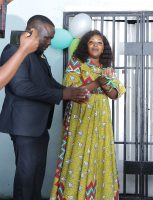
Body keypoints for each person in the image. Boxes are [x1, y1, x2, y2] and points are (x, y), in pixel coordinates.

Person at [0, 15, 88, 200]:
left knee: (36, 175)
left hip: (39, 126)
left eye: (51, 38)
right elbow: (21, 87)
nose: (50, 42)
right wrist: (62, 95)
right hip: (24, 126)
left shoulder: (38, 56)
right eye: (46, 37)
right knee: (26, 177)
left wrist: (70, 91)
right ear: (31, 32)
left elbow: (49, 83)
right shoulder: (13, 51)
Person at [51, 30, 126, 200]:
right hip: (81, 113)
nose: (95, 45)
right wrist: (97, 82)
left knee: (100, 154)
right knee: (78, 152)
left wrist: (106, 84)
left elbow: (115, 94)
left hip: (101, 118)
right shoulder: (76, 63)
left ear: (104, 47)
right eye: (92, 42)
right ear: (86, 45)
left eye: (99, 43)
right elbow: (71, 89)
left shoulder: (107, 68)